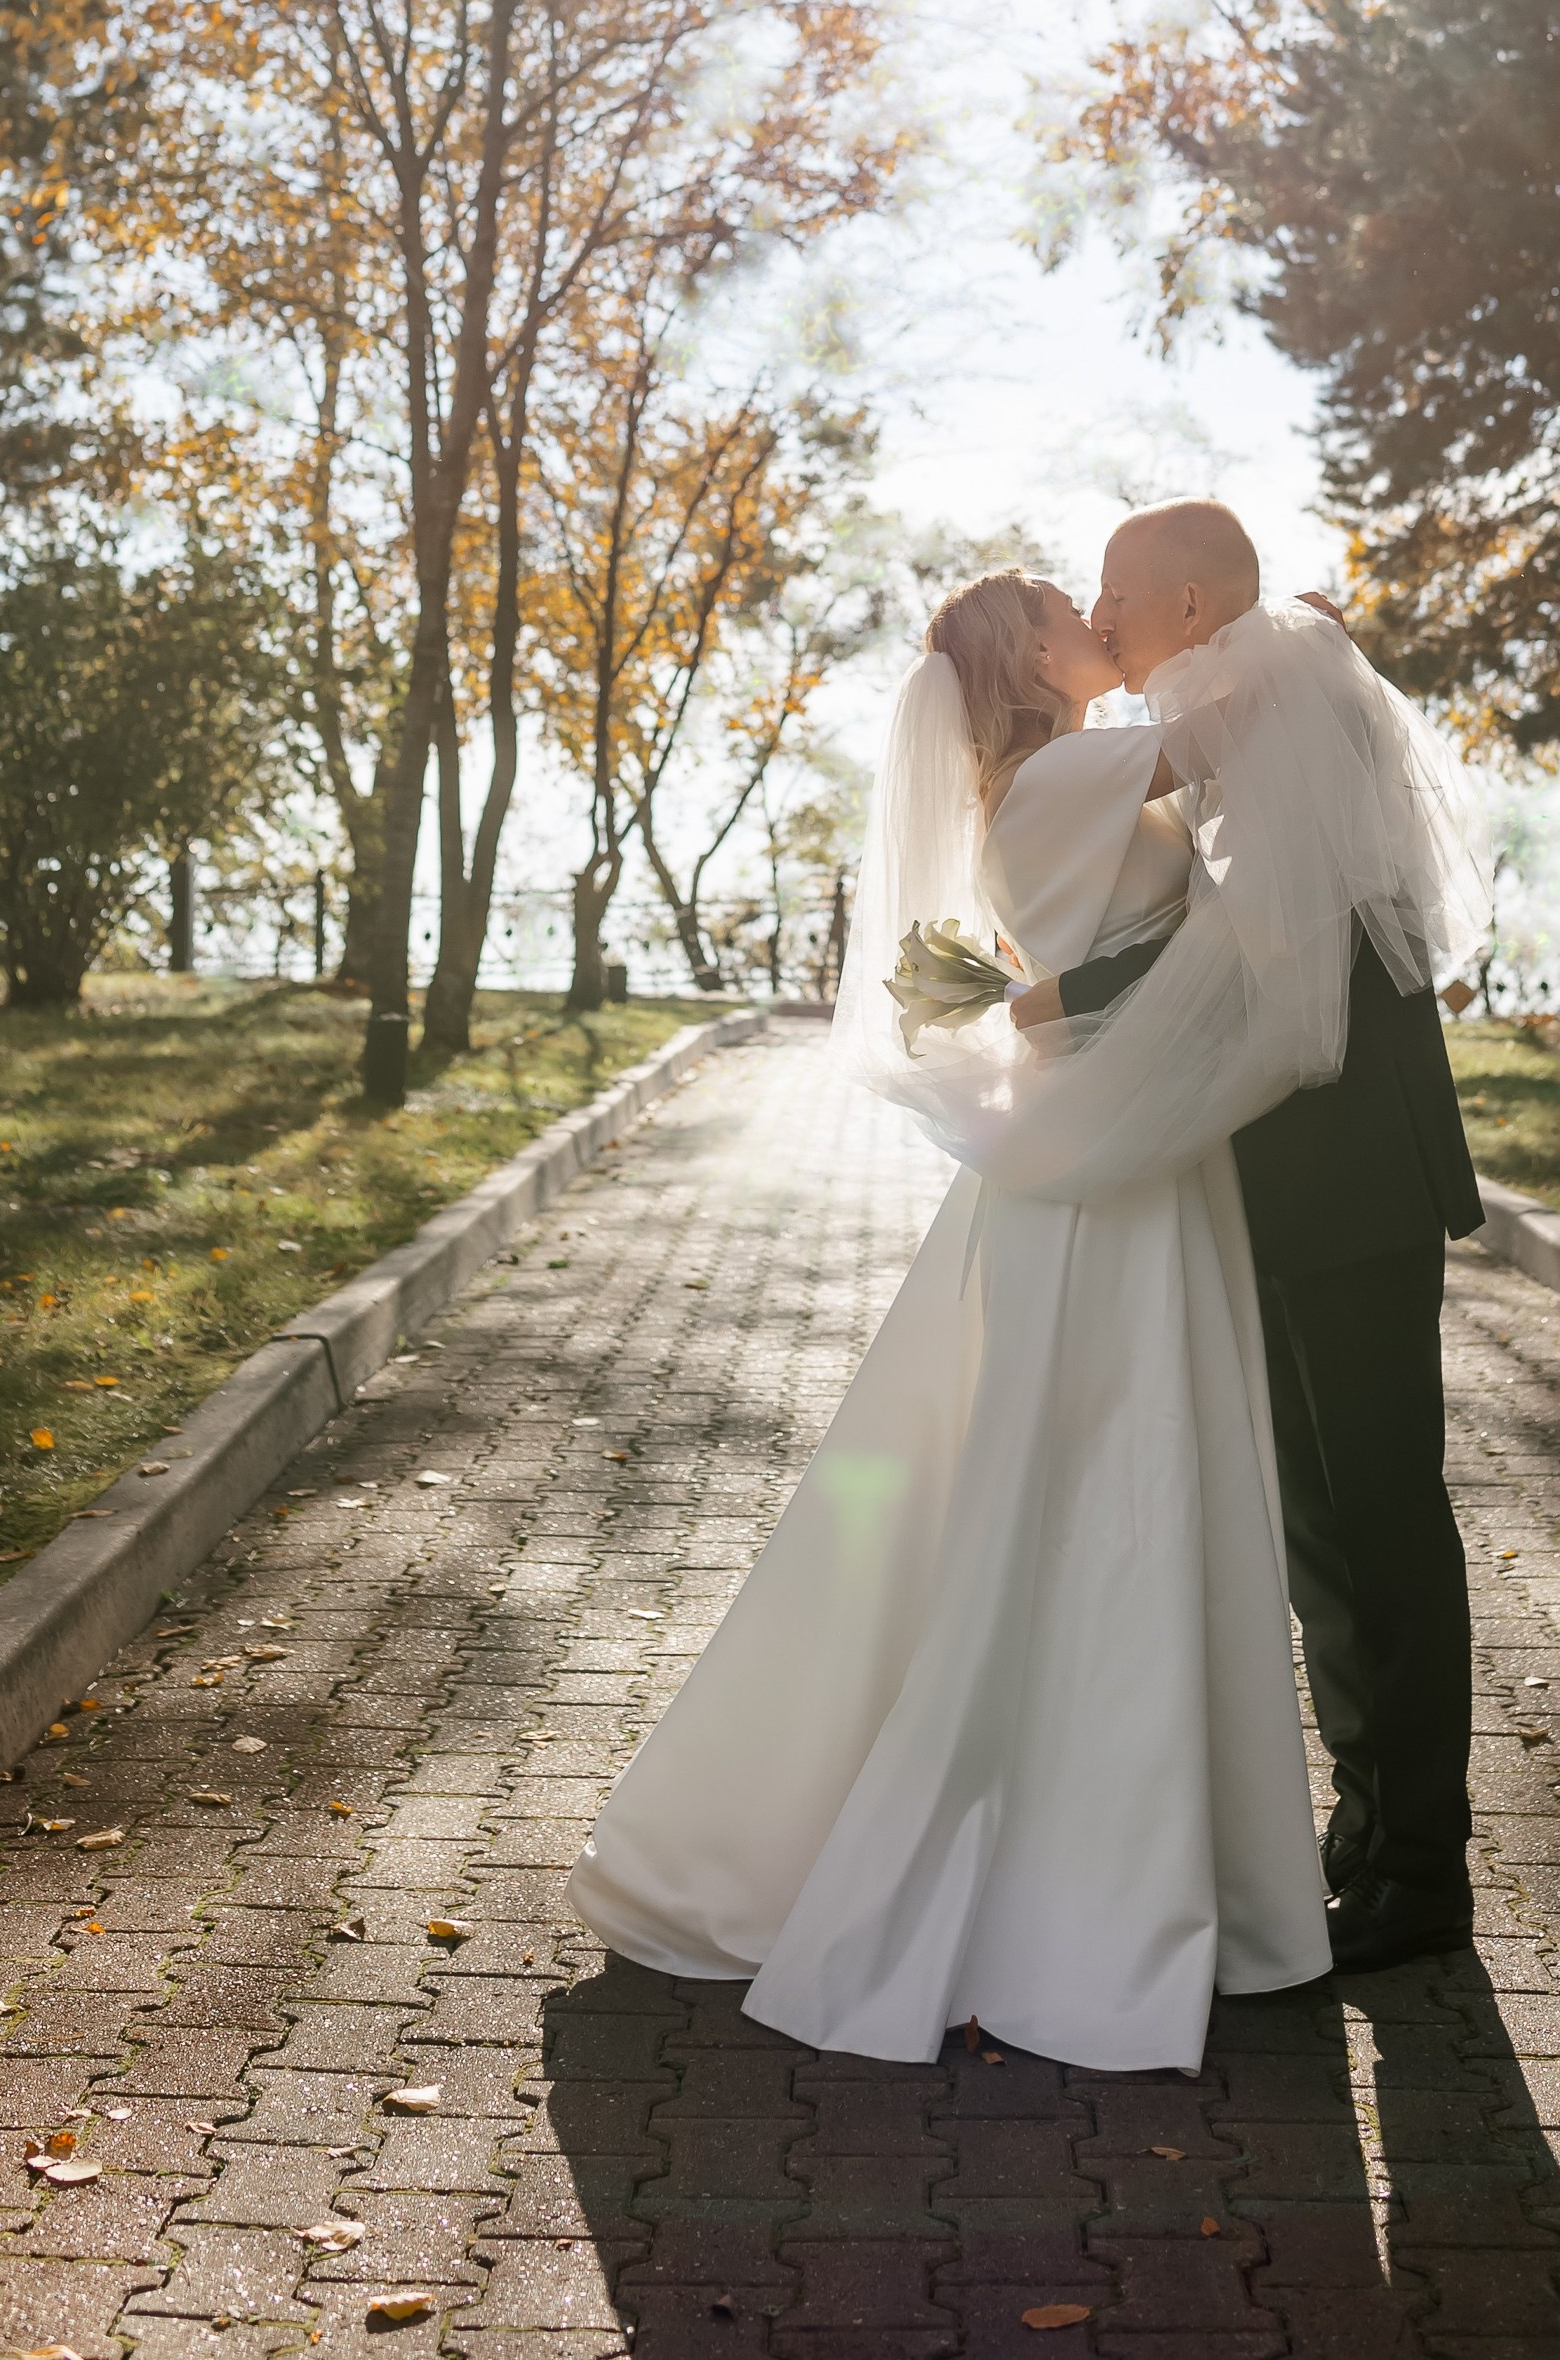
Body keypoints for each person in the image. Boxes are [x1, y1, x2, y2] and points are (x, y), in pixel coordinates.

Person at [567, 568, 1333, 2073]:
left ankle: (1143, 1850)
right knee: (1100, 1482)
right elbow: (1243, 727)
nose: (1098, 618)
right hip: (1105, 1194)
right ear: (1026, 658)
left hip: (1114, 1166)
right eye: (1071, 607)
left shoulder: (1041, 780)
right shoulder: (1064, 772)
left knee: (1082, 1478)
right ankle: (1071, 1880)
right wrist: (1273, 615)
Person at [1010, 502, 1484, 1973]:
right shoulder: (1240, 694)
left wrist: (1055, 1006)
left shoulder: (1265, 672)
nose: (1104, 622)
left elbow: (1256, 954)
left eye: (1119, 598)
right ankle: (1367, 1823)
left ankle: (1423, 1864)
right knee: (1319, 1521)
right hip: (1286, 1166)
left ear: (1195, 600)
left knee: (1384, 1508)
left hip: (1353, 1165)